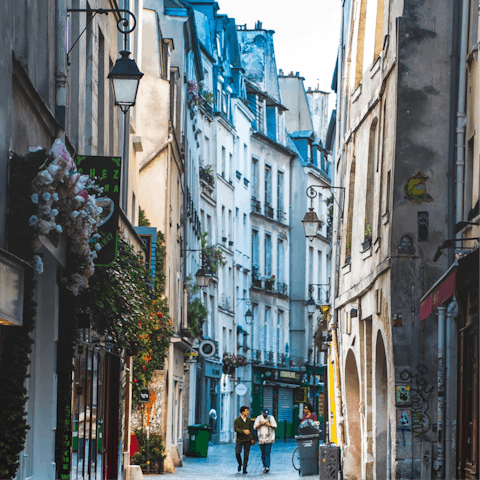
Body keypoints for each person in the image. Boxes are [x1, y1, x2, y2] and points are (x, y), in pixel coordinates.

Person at [254, 408, 277, 473]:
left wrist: (269, 425)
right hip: (261, 438)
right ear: (262, 413)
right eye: (264, 414)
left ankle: (267, 466)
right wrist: (261, 424)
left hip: (269, 438)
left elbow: (275, 426)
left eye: (267, 414)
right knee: (263, 453)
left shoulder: (271, 418)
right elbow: (255, 427)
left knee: (267, 452)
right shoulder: (258, 418)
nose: (266, 416)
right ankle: (264, 465)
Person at [234, 406, 255, 474]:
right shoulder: (237, 420)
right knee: (237, 452)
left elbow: (251, 430)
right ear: (242, 412)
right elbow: (235, 429)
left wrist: (252, 438)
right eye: (246, 411)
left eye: (248, 411)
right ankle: (240, 463)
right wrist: (243, 431)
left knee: (246, 455)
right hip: (239, 439)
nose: (248, 412)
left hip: (247, 440)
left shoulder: (249, 420)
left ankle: (244, 469)